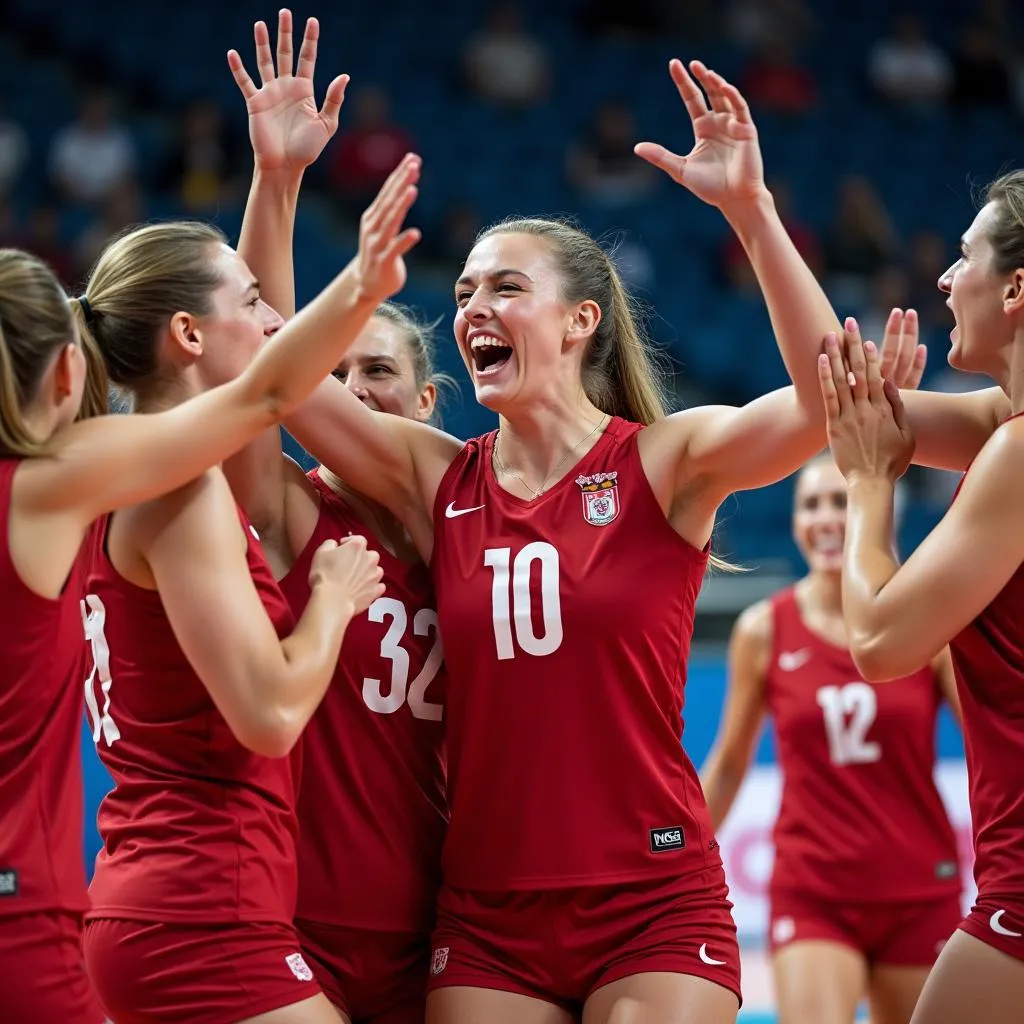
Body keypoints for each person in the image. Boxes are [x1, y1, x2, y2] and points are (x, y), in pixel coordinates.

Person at [280, 59, 863, 1024]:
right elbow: (277, 388)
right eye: (465, 291)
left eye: (507, 287)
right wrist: (281, 184)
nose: (473, 308)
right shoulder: (439, 476)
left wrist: (753, 212)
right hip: (487, 911)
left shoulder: (666, 463)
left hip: (653, 897)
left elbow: (821, 403)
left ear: (580, 321)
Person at [0, 132, 417, 1022]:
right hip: (203, 907)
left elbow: (261, 408)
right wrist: (333, 602)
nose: (272, 321)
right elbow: (268, 717)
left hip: (158, 893)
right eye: (256, 301)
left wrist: (277, 181)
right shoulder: (179, 488)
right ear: (188, 333)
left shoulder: (99, 470)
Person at [221, 14, 448, 1022]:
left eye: (378, 376)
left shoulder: (484, 526)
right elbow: (255, 370)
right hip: (292, 923)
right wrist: (277, 184)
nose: (348, 394)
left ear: (430, 404)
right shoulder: (291, 509)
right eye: (336, 373)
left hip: (452, 929)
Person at [818, 171, 1024, 1024]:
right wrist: (753, 215)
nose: (941, 277)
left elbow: (877, 639)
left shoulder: (1016, 451)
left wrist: (870, 490)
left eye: (963, 256)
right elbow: (837, 395)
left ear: (1017, 287)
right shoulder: (999, 428)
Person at [701, 439, 963, 1024]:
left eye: (840, 504)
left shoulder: (925, 624)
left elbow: (989, 750)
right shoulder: (764, 630)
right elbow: (728, 765)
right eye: (811, 505)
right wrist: (672, 864)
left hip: (919, 886)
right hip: (814, 890)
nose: (825, 519)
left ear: (873, 513)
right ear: (794, 522)